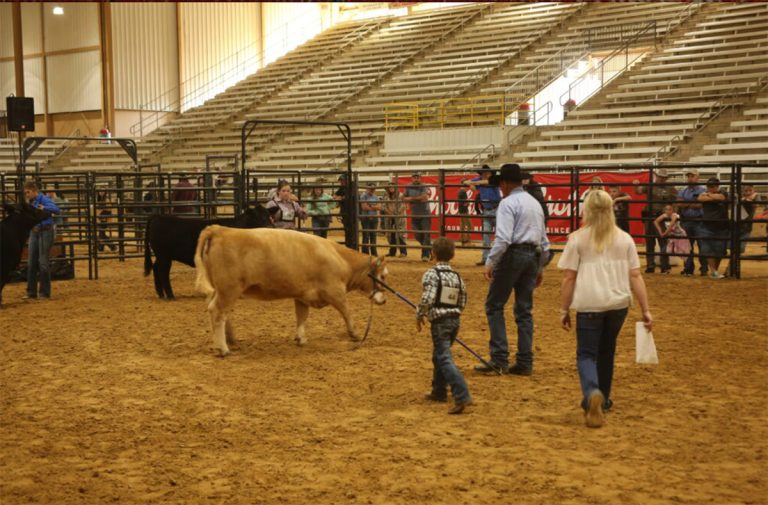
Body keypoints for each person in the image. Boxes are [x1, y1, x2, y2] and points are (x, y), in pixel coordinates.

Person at [558, 189, 652, 428]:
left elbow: (569, 278)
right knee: (607, 352)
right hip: (618, 304)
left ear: (586, 210)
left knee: (586, 354)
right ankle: (604, 399)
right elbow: (636, 275)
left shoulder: (577, 238)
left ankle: (591, 393)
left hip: (590, 303)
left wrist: (564, 309)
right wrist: (646, 309)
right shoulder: (625, 238)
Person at [476, 164, 550, 376]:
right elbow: (544, 240)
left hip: (513, 255)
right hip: (532, 257)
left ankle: (499, 359)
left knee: (494, 305)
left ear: (505, 183)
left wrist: (490, 261)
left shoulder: (507, 203)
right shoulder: (535, 203)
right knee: (524, 310)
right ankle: (525, 361)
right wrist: (541, 266)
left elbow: (503, 238)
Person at [417, 237, 471, 415]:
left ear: (433, 253)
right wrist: (454, 312)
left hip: (440, 322)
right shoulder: (457, 276)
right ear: (453, 255)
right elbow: (463, 299)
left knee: (443, 357)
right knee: (439, 355)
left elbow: (428, 298)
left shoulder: (431, 274)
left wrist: (420, 313)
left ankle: (461, 394)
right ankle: (439, 391)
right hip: (455, 320)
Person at [23, 180, 61, 300]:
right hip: (34, 232)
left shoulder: (43, 199)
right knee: (31, 262)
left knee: (43, 262)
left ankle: (44, 292)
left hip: (45, 231)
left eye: (28, 192)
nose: (27, 195)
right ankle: (31, 292)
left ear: (34, 191)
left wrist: (44, 207)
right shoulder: (31, 201)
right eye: (26, 193)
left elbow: (56, 209)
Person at [634, 168, 676, 273]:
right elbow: (638, 192)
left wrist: (671, 215)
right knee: (650, 242)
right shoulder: (649, 185)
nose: (661, 179)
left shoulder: (670, 189)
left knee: (663, 242)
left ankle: (664, 265)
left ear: (666, 178)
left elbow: (676, 202)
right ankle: (650, 265)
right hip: (650, 217)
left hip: (662, 218)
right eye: (660, 176)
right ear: (657, 176)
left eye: (663, 177)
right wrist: (636, 185)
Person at [676, 168, 707, 276]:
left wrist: (686, 203)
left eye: (692, 176)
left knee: (702, 245)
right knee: (687, 246)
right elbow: (679, 204)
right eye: (689, 176)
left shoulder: (703, 190)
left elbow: (701, 204)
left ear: (698, 178)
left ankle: (704, 268)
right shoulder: (683, 190)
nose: (690, 178)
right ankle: (689, 268)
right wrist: (693, 203)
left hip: (699, 220)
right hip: (687, 220)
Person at [698, 177, 729, 279]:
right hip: (708, 225)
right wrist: (713, 196)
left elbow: (721, 197)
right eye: (709, 186)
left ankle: (715, 270)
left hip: (721, 226)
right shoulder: (704, 194)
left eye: (712, 186)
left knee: (719, 250)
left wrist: (708, 195)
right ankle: (714, 271)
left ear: (717, 186)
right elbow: (700, 198)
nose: (710, 188)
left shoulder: (723, 193)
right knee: (708, 248)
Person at [470, 165, 501, 266]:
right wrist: (472, 183)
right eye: (484, 173)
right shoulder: (479, 180)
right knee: (486, 236)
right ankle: (486, 259)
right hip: (487, 210)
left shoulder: (494, 180)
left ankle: (497, 259)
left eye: (488, 173)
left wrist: (473, 183)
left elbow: (474, 184)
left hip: (496, 209)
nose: (486, 174)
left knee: (499, 236)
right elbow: (470, 185)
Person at [403, 171, 432, 262]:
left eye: (418, 177)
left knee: (426, 235)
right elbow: (403, 198)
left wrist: (411, 199)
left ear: (420, 178)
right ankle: (430, 248)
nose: (416, 179)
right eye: (414, 177)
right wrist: (416, 199)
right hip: (414, 214)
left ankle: (425, 255)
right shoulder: (408, 186)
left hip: (425, 214)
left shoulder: (423, 186)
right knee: (417, 235)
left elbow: (424, 197)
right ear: (412, 178)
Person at [382, 182, 407, 257]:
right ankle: (392, 252)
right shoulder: (386, 196)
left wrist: (396, 214)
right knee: (391, 235)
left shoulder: (400, 195)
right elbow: (384, 207)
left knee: (400, 234)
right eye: (389, 187)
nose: (391, 188)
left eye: (392, 187)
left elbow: (403, 206)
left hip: (399, 217)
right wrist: (391, 214)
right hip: (390, 217)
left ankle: (403, 252)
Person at [359, 182, 381, 256]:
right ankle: (365, 253)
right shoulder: (363, 196)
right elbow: (364, 207)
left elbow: (379, 207)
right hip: (366, 218)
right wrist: (374, 206)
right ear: (367, 188)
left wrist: (370, 205)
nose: (372, 190)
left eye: (373, 189)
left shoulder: (375, 196)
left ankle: (374, 253)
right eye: (371, 188)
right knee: (366, 236)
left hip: (373, 218)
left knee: (373, 236)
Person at [457, 180, 472, 245]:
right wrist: (467, 202)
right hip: (464, 211)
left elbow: (461, 202)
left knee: (463, 225)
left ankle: (463, 240)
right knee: (469, 226)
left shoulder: (460, 191)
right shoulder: (463, 192)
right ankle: (466, 240)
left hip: (462, 210)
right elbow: (465, 203)